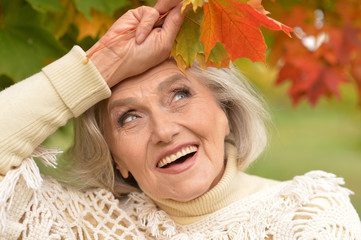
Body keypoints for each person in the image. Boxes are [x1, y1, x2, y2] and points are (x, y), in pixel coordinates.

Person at [0, 0, 360, 239]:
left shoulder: (306, 212)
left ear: (226, 113)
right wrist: (100, 67)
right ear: (115, 158)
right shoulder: (84, 224)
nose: (164, 130)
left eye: (180, 95)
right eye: (129, 117)